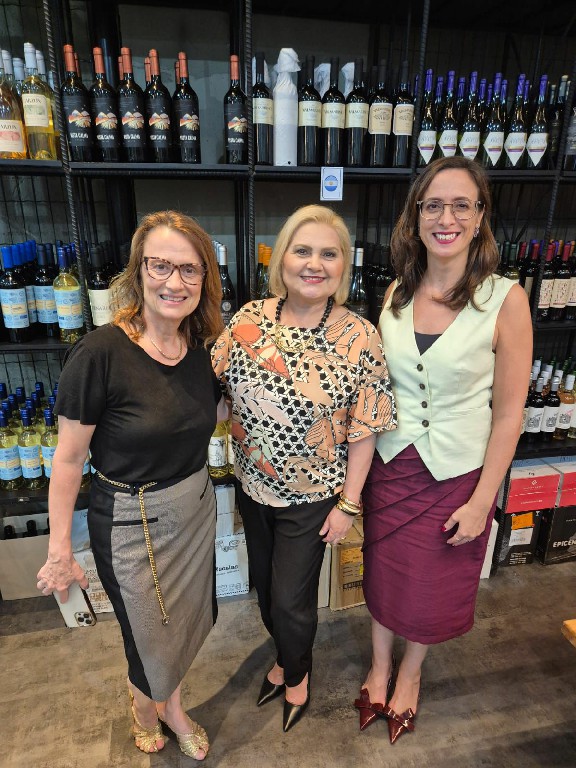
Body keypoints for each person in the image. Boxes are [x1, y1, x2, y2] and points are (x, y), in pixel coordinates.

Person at [36, 211, 229, 759]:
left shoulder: (198, 347)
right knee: (147, 634)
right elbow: (68, 460)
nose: (174, 282)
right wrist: (58, 549)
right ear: (138, 270)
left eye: (189, 269)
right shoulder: (99, 354)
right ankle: (149, 707)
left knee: (183, 624)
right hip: (130, 524)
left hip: (194, 508)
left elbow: (205, 413)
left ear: (205, 278)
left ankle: (168, 703)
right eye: (160, 265)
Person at [358, 156, 532, 743]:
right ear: (417, 216)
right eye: (433, 205)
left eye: (461, 205)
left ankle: (409, 674)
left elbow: (509, 413)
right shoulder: (396, 292)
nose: (446, 218)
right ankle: (378, 667)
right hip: (391, 466)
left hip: (457, 474)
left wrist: (484, 500)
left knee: (429, 588)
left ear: (481, 217)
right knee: (384, 576)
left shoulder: (506, 300)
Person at [211, 204, 397, 732]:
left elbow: (365, 429)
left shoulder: (360, 335)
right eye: (303, 250)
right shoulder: (247, 320)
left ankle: (297, 676)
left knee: (291, 600)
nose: (314, 264)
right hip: (253, 486)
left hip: (314, 496)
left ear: (343, 266)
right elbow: (216, 393)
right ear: (282, 260)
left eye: (329, 254)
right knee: (266, 592)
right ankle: (285, 657)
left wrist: (348, 505)